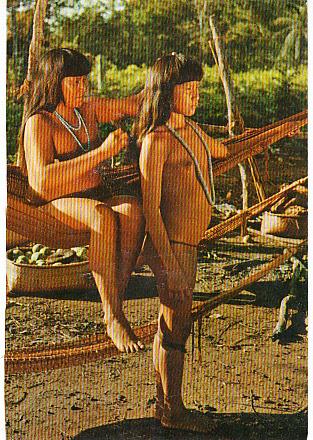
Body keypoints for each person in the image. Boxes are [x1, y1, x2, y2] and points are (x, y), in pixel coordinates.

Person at [20, 48, 145, 353]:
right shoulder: (40, 123)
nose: (82, 88)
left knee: (132, 213)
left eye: (84, 82)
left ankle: (114, 293)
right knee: (103, 216)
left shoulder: (86, 111)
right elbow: (42, 182)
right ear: (54, 83)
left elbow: (129, 105)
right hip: (54, 204)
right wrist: (102, 153)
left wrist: (158, 84)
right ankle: (113, 317)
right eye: (74, 83)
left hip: (92, 193)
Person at [135, 53, 229, 432]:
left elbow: (221, 150)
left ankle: (166, 406)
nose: (195, 97)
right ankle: (173, 413)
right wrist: (170, 264)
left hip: (189, 244)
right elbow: (151, 209)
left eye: (197, 89)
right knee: (176, 330)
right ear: (165, 92)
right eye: (187, 90)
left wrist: (268, 135)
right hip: (173, 245)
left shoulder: (192, 130)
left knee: (171, 327)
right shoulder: (157, 141)